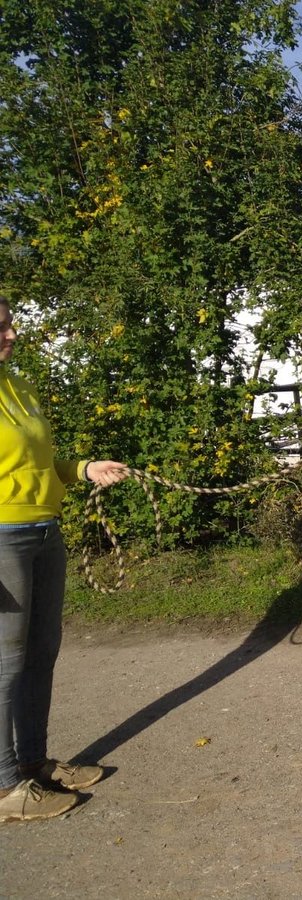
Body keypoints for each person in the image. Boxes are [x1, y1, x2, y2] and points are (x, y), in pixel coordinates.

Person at [0, 295, 129, 822]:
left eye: (8, 324)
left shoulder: (19, 386)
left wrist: (81, 469)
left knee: (41, 652)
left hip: (44, 529)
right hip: (2, 536)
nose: (10, 334)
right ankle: (5, 786)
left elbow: (38, 462)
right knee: (4, 664)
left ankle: (33, 764)